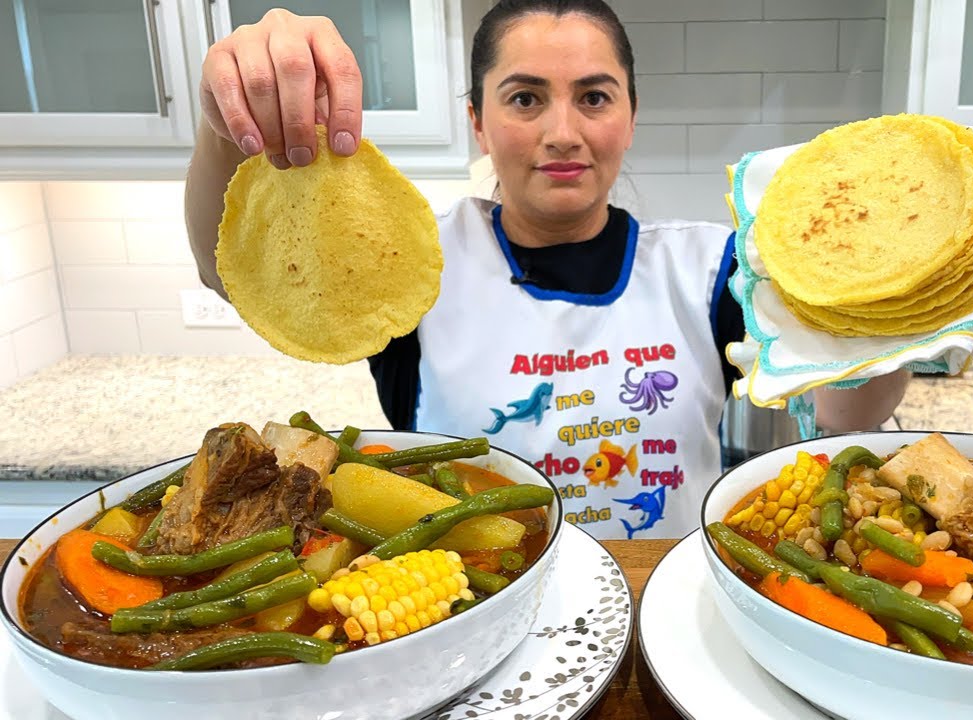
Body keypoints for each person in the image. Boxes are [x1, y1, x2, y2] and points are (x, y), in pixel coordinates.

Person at [185, 0, 909, 540]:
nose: (563, 133)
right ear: (478, 120)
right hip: (468, 620)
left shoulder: (712, 266)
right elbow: (228, 278)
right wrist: (223, 126)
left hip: (664, 616)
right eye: (525, 98)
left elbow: (849, 413)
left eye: (594, 97)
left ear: (630, 117)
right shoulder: (411, 269)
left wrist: (900, 298)